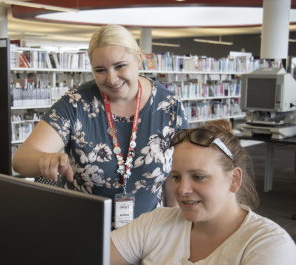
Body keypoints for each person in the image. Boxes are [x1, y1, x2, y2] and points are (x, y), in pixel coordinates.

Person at [12, 24, 189, 224]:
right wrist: (44, 159)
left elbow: (177, 172)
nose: (112, 79)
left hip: (148, 234)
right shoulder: (76, 104)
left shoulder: (169, 105)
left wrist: (175, 226)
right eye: (101, 70)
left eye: (120, 66)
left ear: (139, 60)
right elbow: (20, 159)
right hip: (84, 232)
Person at [110, 120, 296, 265]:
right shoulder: (154, 222)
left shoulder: (269, 245)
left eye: (199, 177)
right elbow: (93, 255)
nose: (182, 189)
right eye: (176, 177)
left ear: (234, 180)